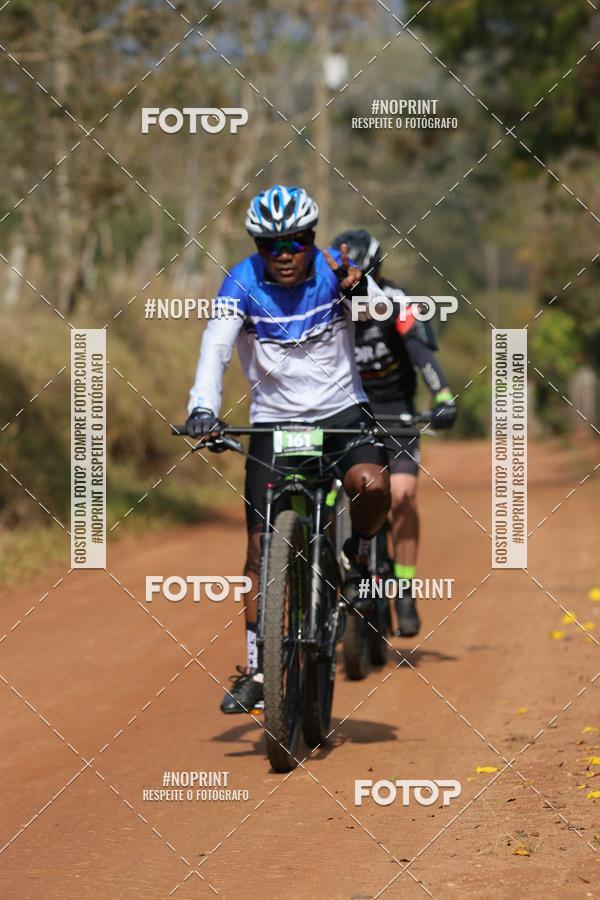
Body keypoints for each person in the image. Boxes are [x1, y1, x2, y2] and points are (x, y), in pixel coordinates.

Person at [185, 186, 391, 715]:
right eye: (271, 244)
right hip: (275, 424)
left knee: (372, 485)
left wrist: (360, 287)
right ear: (258, 244)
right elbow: (216, 347)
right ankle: (258, 667)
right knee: (259, 551)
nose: (283, 254)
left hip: (342, 413)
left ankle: (361, 553)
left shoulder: (335, 270)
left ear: (311, 239)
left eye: (294, 242)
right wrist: (203, 408)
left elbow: (379, 316)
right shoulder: (242, 281)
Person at [331, 229, 457, 638]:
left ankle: (402, 586)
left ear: (378, 272)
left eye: (365, 274)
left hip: (397, 413)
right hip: (350, 411)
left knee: (402, 495)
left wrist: (442, 394)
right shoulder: (332, 305)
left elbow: (422, 353)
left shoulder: (397, 303)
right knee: (336, 496)